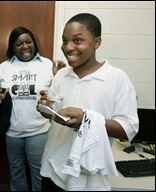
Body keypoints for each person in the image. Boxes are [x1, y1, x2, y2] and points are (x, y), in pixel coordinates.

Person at [38, 13, 139, 191]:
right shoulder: (61, 75)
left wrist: (86, 118)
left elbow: (128, 128)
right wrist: (46, 108)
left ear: (97, 42)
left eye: (77, 41)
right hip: (52, 170)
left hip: (88, 178)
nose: (68, 47)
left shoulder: (116, 78)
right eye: (64, 40)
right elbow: (55, 113)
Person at [0, 26, 64, 191]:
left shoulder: (47, 64)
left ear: (34, 43)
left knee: (39, 174)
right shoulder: (4, 67)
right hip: (11, 133)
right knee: (16, 172)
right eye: (19, 44)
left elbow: (58, 96)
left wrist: (60, 76)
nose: (25, 46)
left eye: (28, 42)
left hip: (39, 132)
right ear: (12, 47)